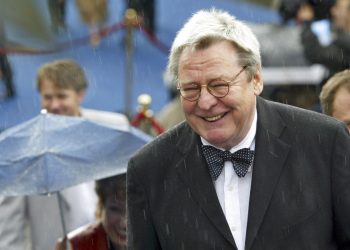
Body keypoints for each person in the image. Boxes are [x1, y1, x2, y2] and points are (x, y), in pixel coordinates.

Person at [127, 9, 350, 250]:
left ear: (255, 80)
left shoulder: (324, 144)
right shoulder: (149, 169)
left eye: (219, 85)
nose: (205, 102)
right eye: (190, 88)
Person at [0, 59, 129, 250]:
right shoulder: (24, 148)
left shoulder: (114, 127)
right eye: (47, 97)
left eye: (61, 96)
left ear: (80, 95)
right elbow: (9, 228)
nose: (54, 105)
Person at [55, 174, 127, 250]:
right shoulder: (73, 246)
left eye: (132, 210)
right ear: (101, 205)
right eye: (115, 209)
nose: (124, 224)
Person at [298, 0, 350, 82]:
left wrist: (307, 22)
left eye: (339, 8)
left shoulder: (343, 42)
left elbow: (318, 54)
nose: (333, 11)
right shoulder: (339, 37)